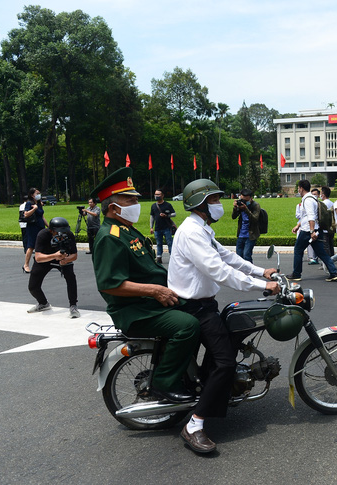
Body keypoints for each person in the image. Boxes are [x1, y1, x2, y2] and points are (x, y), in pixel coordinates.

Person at [168, 178, 279, 454]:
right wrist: (262, 286)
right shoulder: (192, 232)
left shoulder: (201, 229)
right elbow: (220, 271)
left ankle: (212, 392)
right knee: (225, 362)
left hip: (204, 304)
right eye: (215, 200)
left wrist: (259, 270)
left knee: (226, 346)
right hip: (194, 307)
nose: (221, 204)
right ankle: (193, 425)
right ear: (202, 204)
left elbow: (228, 257)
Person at [91, 167, 200, 408]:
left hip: (149, 303)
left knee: (203, 310)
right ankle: (164, 384)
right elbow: (111, 285)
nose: (136, 203)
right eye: (129, 199)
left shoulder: (126, 230)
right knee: (187, 327)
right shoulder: (110, 236)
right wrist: (155, 291)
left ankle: (193, 375)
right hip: (136, 310)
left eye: (135, 198)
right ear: (113, 207)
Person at [27, 217, 80, 318]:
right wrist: (54, 256)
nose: (62, 234)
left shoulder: (69, 235)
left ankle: (73, 305)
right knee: (33, 286)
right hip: (45, 258)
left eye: (64, 231)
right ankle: (43, 303)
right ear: (51, 230)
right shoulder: (42, 235)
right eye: (58, 232)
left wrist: (66, 260)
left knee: (71, 278)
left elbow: (75, 255)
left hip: (63, 258)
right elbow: (38, 257)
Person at [287, 179, 337, 282]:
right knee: (321, 253)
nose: (298, 190)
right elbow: (307, 217)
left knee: (298, 250)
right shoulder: (313, 199)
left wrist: (311, 232)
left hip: (308, 231)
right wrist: (298, 225)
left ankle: (296, 273)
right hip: (315, 229)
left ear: (301, 188)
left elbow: (311, 217)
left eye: (298, 188)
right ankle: (333, 272)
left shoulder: (307, 200)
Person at [231, 188, 260, 263]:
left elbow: (255, 219)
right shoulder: (240, 204)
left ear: (251, 198)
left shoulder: (255, 205)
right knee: (239, 256)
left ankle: (250, 273)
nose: (244, 202)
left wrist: (246, 209)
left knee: (246, 255)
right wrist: (235, 207)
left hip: (251, 234)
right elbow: (233, 217)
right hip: (241, 234)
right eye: (242, 199)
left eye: (246, 201)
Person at [22, 188, 48, 274]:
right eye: (37, 193)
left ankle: (41, 262)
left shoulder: (39, 203)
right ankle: (26, 265)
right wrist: (34, 209)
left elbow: (42, 217)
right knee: (31, 246)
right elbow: (26, 215)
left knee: (42, 245)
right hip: (33, 227)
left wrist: (49, 226)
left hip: (41, 226)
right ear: (32, 195)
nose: (38, 195)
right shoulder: (29, 203)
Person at [150, 189, 176, 263]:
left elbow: (174, 214)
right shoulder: (153, 206)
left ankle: (172, 257)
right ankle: (159, 257)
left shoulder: (167, 205)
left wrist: (166, 215)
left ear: (162, 195)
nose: (156, 196)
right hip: (157, 228)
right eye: (155, 194)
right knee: (159, 243)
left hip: (167, 227)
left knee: (169, 242)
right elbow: (152, 217)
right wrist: (151, 227)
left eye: (158, 194)